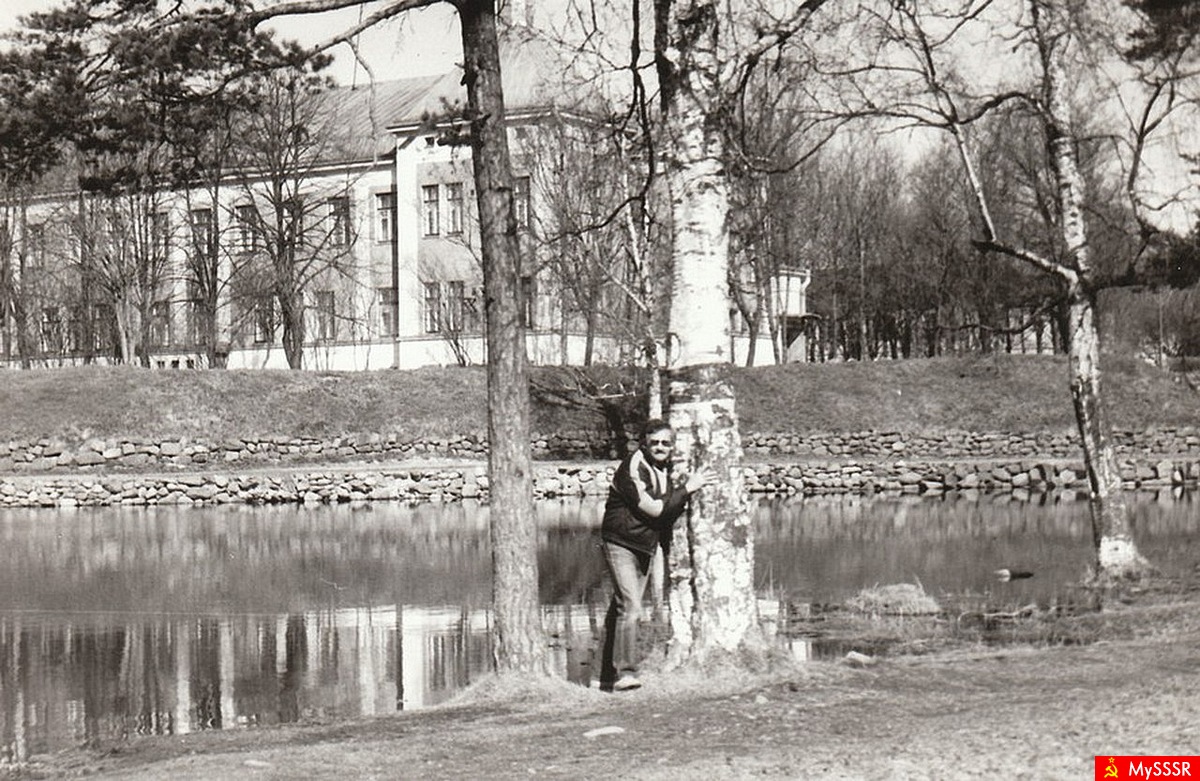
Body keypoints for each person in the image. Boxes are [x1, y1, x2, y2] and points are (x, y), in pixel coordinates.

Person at [599, 419, 713, 692]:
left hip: (643, 545)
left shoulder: (666, 467)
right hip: (621, 543)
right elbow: (654, 509)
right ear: (644, 443)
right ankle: (626, 674)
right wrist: (689, 488)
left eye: (666, 443)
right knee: (631, 607)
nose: (660, 447)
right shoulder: (633, 466)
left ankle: (602, 676)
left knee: (621, 608)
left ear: (672, 446)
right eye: (655, 443)